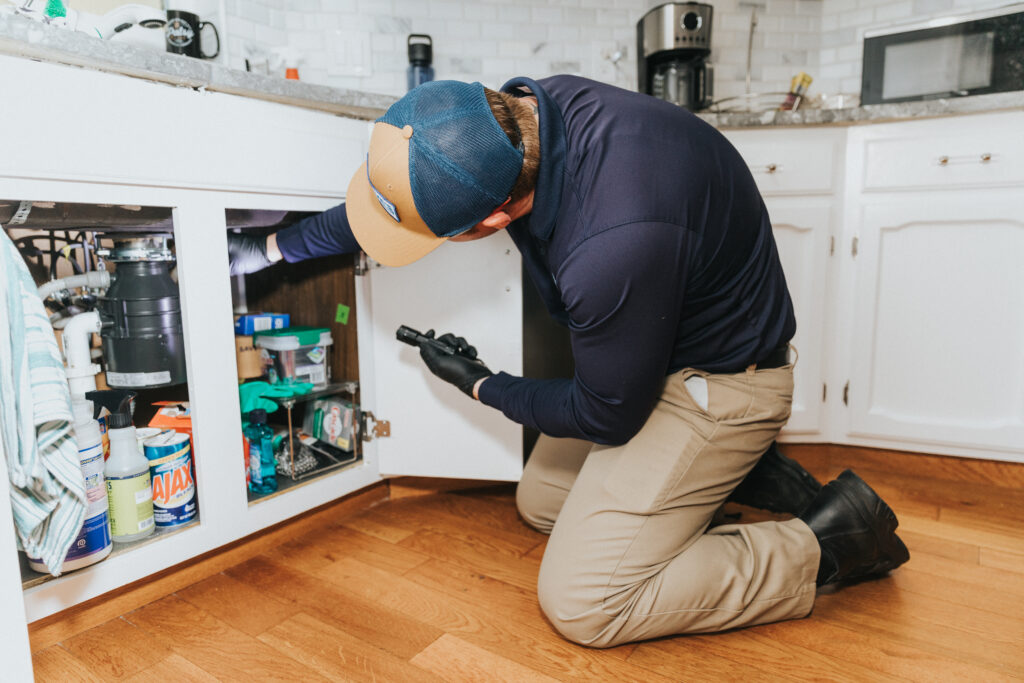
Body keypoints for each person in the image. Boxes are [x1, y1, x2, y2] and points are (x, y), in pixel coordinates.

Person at [229, 76, 909, 647]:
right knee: (543, 501)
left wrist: (481, 383)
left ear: (494, 220)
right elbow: (390, 200)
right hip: (659, 355)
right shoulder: (512, 119)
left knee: (586, 600)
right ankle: (728, 481)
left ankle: (829, 539)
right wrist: (269, 251)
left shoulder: (612, 241)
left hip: (725, 385)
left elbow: (605, 414)